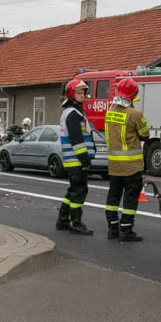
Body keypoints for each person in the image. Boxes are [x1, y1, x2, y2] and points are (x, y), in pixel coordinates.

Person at [104, 78, 150, 241]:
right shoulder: (135, 114)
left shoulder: (109, 113)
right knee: (130, 197)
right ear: (133, 95)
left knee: (113, 195)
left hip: (114, 165)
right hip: (131, 166)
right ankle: (126, 230)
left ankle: (112, 228)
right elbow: (145, 134)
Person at [55, 79, 95, 235]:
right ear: (71, 94)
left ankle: (63, 220)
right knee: (79, 191)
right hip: (76, 160)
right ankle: (76, 223)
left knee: (73, 191)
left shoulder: (74, 112)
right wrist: (85, 160)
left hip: (73, 160)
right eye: (79, 93)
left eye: (84, 92)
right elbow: (76, 139)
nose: (83, 95)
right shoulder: (73, 114)